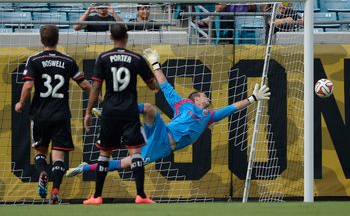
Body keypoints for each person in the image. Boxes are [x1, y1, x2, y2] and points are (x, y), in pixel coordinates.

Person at [67, 49, 271, 189]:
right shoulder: (183, 103)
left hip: (162, 148)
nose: (207, 97)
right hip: (161, 131)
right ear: (196, 98)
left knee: (126, 164)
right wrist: (155, 63)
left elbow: (231, 108)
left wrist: (252, 98)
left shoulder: (208, 117)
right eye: (204, 94)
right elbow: (164, 86)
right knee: (148, 108)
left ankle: (84, 167)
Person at [82, 24, 159, 205]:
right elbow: (153, 85)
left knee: (104, 154)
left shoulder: (103, 58)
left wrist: (87, 112)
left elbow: (95, 88)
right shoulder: (136, 58)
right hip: (130, 111)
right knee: (136, 153)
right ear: (126, 37)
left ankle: (97, 196)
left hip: (110, 112)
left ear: (111, 37)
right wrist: (155, 83)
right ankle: (140, 195)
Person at [15, 25, 92, 204]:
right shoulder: (68, 61)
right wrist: (99, 98)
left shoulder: (33, 60)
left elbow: (27, 85)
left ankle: (42, 173)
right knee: (59, 157)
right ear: (57, 39)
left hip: (40, 115)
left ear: (42, 40)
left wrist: (21, 103)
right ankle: (55, 191)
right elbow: (84, 84)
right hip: (61, 115)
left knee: (40, 151)